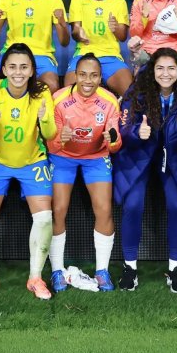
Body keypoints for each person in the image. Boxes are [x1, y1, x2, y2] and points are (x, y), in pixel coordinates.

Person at [0, 43, 59, 299]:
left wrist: (44, 118)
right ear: (4, 69)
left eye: (23, 67)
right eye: (12, 67)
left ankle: (35, 277)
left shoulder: (42, 91)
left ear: (32, 70)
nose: (18, 72)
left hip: (33, 161)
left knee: (44, 218)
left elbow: (50, 134)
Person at [115, 48, 177, 292]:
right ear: (152, 70)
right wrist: (137, 132)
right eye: (160, 68)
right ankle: (130, 268)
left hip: (173, 158)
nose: (166, 74)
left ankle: (175, 269)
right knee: (133, 205)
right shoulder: (137, 91)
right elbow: (123, 127)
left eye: (171, 68)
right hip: (139, 156)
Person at [46, 54, 124, 293]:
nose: (88, 81)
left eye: (93, 75)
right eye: (82, 75)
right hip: (63, 158)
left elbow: (115, 145)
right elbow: (50, 144)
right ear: (75, 76)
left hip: (96, 159)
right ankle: (57, 270)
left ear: (100, 78)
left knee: (104, 209)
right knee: (58, 209)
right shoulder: (58, 99)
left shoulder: (109, 101)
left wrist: (112, 139)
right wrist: (60, 139)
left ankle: (102, 270)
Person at [66, 0, 133, 97]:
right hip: (84, 54)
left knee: (130, 93)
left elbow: (123, 37)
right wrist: (79, 34)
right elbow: (75, 31)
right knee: (70, 91)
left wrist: (115, 28)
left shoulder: (119, 2)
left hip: (111, 56)